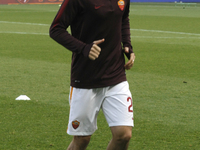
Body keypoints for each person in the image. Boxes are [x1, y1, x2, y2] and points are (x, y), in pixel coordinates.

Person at [49, 0, 135, 149]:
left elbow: (123, 18)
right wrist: (83, 48)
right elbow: (56, 29)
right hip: (85, 79)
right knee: (82, 139)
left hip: (116, 76)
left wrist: (127, 45)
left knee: (124, 135)